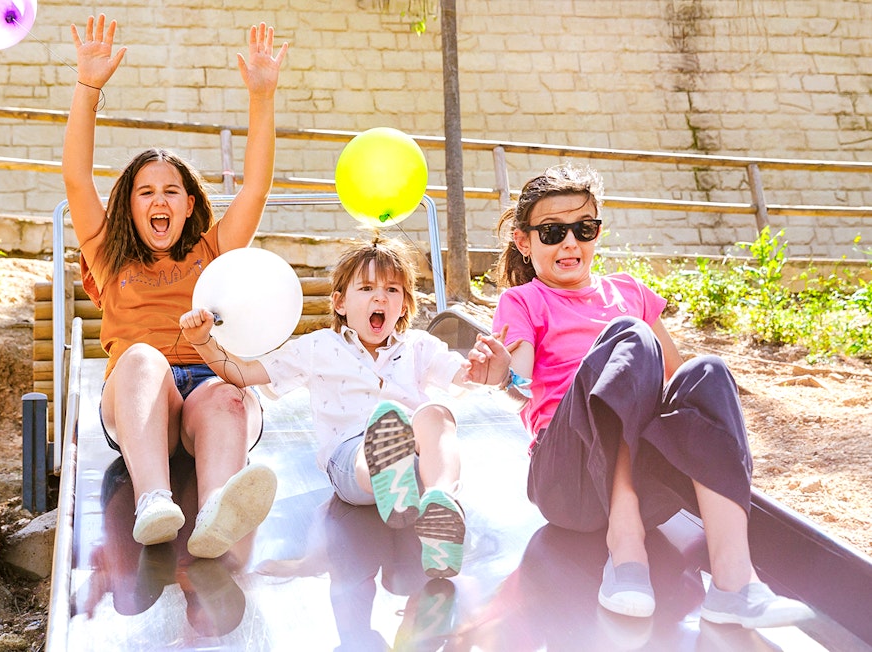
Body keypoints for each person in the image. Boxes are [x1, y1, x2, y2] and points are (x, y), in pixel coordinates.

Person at [490, 162, 815, 627]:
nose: (570, 242)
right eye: (552, 232)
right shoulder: (523, 302)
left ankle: (734, 584)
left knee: (708, 370)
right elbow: (520, 389)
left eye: (583, 228)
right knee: (631, 337)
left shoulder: (631, 291)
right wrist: (503, 375)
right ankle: (625, 554)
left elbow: (680, 384)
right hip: (570, 484)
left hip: (650, 492)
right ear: (524, 242)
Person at [61, 13, 288, 557]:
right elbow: (75, 177)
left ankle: (215, 513)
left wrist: (262, 96)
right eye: (145, 192)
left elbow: (255, 186)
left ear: (189, 206)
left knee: (228, 394)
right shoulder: (110, 253)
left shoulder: (213, 250)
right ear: (128, 205)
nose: (159, 201)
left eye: (171, 191)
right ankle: (154, 500)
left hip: (207, 392)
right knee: (140, 358)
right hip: (145, 407)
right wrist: (88, 85)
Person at [178, 236, 514, 578]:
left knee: (437, 416)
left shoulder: (418, 346)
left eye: (393, 290)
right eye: (367, 288)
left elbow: (464, 376)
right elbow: (243, 373)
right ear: (340, 302)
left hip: (416, 461)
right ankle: (388, 474)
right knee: (373, 446)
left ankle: (441, 505)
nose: (381, 297)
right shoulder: (317, 347)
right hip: (351, 459)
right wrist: (203, 341)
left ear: (405, 304)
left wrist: (490, 373)